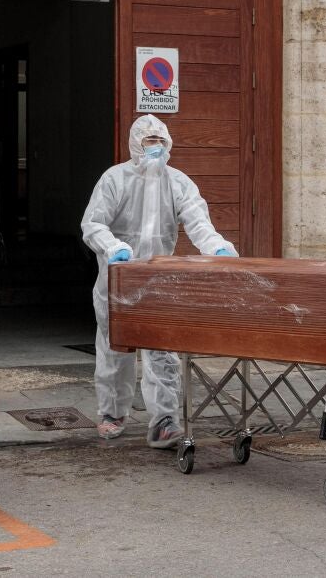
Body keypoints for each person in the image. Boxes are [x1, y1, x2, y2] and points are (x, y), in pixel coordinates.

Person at [81, 114, 238, 448]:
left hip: (157, 280)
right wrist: (113, 247)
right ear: (135, 143)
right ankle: (112, 413)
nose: (154, 147)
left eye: (160, 141)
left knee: (162, 350)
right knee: (114, 348)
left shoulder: (177, 182)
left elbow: (198, 221)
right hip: (118, 278)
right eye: (148, 141)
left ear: (168, 144)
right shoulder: (115, 179)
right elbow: (93, 224)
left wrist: (216, 247)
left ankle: (164, 422)